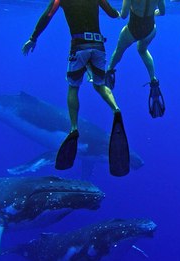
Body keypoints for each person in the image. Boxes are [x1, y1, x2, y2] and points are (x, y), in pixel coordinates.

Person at [22, 0, 130, 177]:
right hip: (98, 46)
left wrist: (33, 38)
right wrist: (122, 13)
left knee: (73, 88)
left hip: (78, 47)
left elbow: (47, 15)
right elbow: (112, 14)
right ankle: (115, 109)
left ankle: (73, 128)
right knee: (100, 85)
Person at [106, 0, 166, 118]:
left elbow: (123, 16)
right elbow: (163, 12)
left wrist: (116, 13)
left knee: (120, 49)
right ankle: (153, 80)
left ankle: (109, 71)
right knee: (142, 50)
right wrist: (153, 13)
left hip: (133, 29)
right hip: (150, 29)